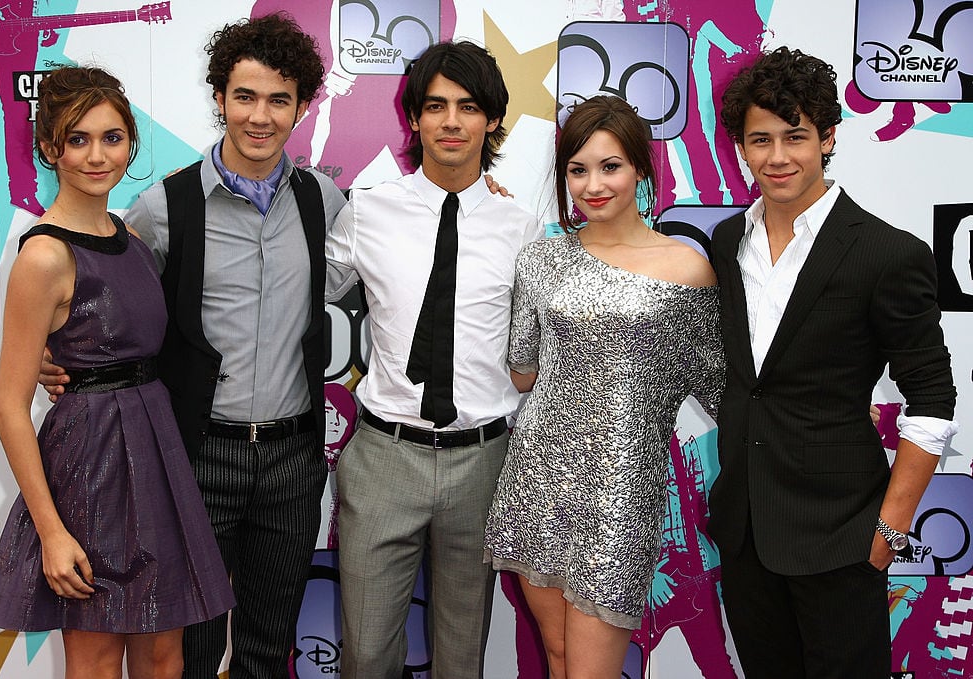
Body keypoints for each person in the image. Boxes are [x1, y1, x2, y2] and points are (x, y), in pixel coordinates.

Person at [40, 14, 347, 679]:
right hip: (194, 455)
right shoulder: (164, 206)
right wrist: (48, 350)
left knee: (270, 644)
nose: (259, 116)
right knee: (191, 649)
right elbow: (101, 287)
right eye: (244, 96)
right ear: (219, 98)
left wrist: (482, 192)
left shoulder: (324, 200)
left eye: (277, 99)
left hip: (295, 458)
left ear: (301, 106)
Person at [708, 47, 958, 679]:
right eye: (759, 140)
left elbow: (932, 399)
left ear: (828, 137)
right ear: (740, 147)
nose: (777, 157)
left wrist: (889, 533)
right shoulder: (727, 241)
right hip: (745, 532)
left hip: (841, 536)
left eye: (795, 136)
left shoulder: (885, 253)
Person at [0, 65, 234, 679]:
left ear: (131, 144)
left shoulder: (128, 235)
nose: (97, 155)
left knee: (166, 656)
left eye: (112, 137)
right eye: (78, 139)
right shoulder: (44, 254)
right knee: (94, 657)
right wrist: (51, 531)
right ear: (48, 148)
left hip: (156, 454)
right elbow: (9, 406)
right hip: (88, 469)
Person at [483, 95, 724, 679]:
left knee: (591, 668)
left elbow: (720, 389)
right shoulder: (540, 259)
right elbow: (523, 371)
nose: (592, 184)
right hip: (538, 478)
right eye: (577, 169)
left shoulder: (686, 268)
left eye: (610, 166)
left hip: (620, 489)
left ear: (641, 168)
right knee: (559, 656)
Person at [325, 40, 541, 679]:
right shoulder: (365, 211)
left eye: (468, 107)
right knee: (366, 654)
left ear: (492, 120)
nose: (451, 121)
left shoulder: (522, 226)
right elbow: (291, 296)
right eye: (436, 106)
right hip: (385, 457)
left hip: (485, 463)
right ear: (414, 118)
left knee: (460, 655)